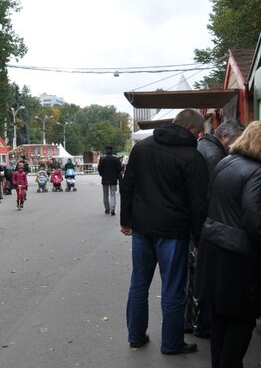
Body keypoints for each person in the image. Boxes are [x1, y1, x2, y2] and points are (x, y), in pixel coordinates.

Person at [196, 120, 261, 368]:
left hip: (216, 247)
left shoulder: (227, 162)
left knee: (221, 314)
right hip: (238, 256)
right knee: (241, 317)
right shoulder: (257, 173)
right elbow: (256, 220)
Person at [120, 108, 209, 354]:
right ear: (192, 129)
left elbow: (128, 184)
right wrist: (200, 238)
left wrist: (126, 219)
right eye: (200, 132)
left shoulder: (143, 147)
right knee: (173, 288)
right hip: (173, 231)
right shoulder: (192, 157)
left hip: (142, 227)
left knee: (139, 283)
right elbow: (198, 203)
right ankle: (171, 343)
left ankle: (135, 335)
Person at [188, 120, 245, 337]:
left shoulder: (204, 147)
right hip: (207, 226)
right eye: (237, 139)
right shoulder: (214, 156)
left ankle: (196, 320)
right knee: (204, 279)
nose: (238, 144)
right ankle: (204, 323)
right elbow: (211, 197)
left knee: (197, 276)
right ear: (224, 137)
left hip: (200, 225)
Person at [98, 145, 121, 215]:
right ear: (112, 150)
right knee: (113, 194)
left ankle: (107, 209)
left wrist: (102, 174)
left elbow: (99, 169)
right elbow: (119, 169)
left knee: (105, 194)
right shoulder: (116, 159)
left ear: (106, 150)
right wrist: (117, 176)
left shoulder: (102, 159)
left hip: (105, 179)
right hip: (113, 180)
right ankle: (113, 209)